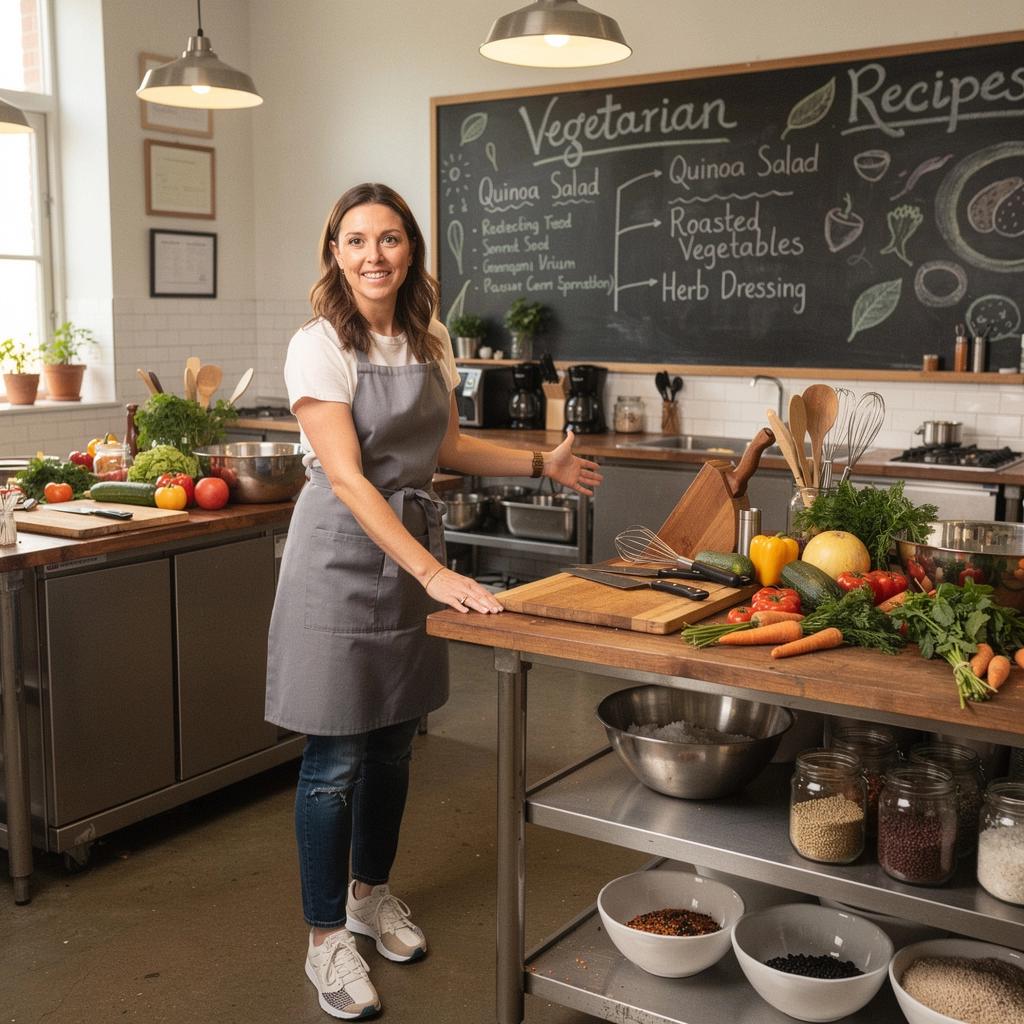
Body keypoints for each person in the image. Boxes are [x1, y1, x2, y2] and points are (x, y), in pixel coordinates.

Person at [265, 182, 602, 1020]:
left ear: (410, 249)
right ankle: (322, 943)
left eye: (389, 239)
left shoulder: (429, 337)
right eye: (355, 241)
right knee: (335, 758)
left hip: (408, 550)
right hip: (342, 560)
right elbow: (346, 476)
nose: (373, 255)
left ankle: (368, 898)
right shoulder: (318, 347)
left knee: (392, 747)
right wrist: (432, 574)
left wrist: (539, 465)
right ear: (334, 254)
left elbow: (442, 443)